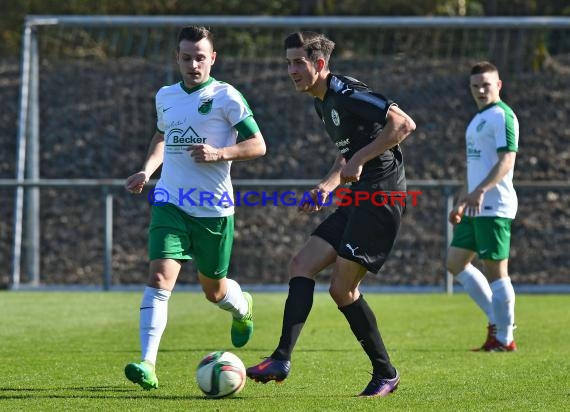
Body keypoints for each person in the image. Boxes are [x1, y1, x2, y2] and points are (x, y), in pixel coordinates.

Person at [246, 31, 416, 397]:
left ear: (319, 64)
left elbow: (403, 125)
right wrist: (326, 187)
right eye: (287, 63)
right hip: (358, 197)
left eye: (298, 63)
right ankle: (280, 359)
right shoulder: (321, 101)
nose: (291, 70)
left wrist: (358, 160)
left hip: (380, 199)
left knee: (342, 289)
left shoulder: (344, 92)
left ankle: (386, 373)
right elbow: (347, 154)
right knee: (301, 265)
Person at [123, 25, 266, 390]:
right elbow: (162, 135)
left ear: (212, 58)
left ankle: (242, 307)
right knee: (159, 279)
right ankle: (148, 363)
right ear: (177, 58)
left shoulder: (226, 96)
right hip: (170, 202)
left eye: (200, 57)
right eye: (186, 57)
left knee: (213, 291)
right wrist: (147, 169)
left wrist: (220, 153)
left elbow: (258, 145)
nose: (193, 64)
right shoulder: (166, 96)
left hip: (213, 210)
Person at [447, 61, 519, 352]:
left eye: (486, 85)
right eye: (475, 85)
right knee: (455, 263)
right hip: (475, 204)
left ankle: (504, 337)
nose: (480, 90)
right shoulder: (477, 120)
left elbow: (507, 160)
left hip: (494, 205)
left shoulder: (503, 116)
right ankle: (498, 321)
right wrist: (463, 199)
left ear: (498, 85)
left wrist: (480, 191)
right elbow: (475, 166)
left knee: (496, 271)